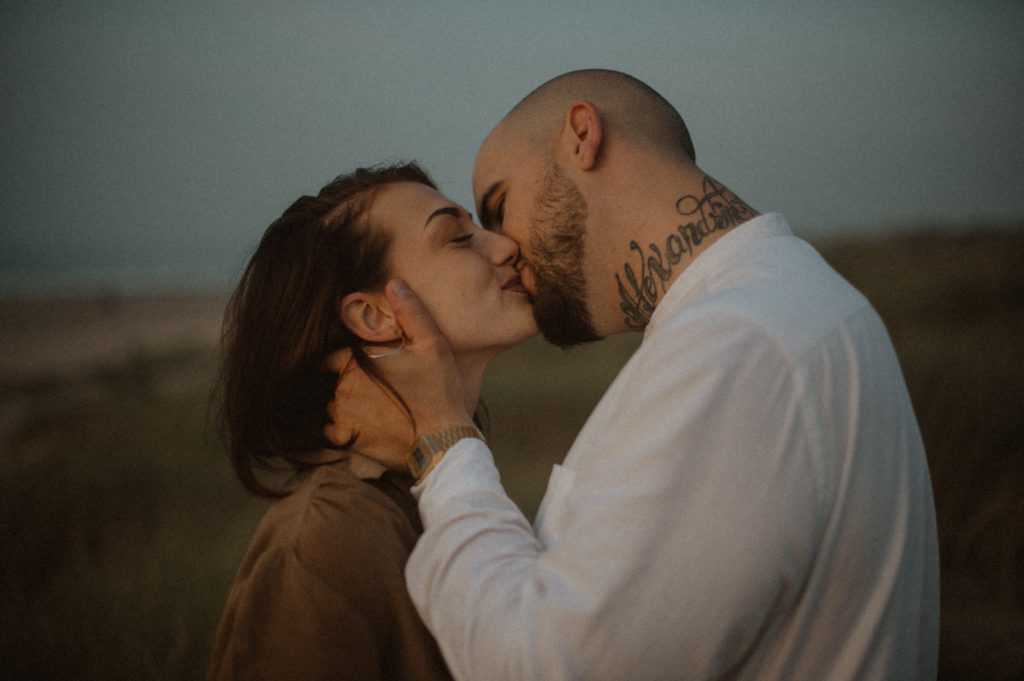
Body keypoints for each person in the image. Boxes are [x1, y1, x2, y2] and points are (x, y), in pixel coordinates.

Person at [327, 70, 941, 680]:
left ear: (582, 135)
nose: (505, 247)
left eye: (499, 206)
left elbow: (546, 668)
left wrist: (445, 447)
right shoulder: (778, 304)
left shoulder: (734, 344)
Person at [207, 162, 537, 680]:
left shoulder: (436, 488)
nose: (505, 246)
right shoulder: (323, 541)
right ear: (373, 316)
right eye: (458, 238)